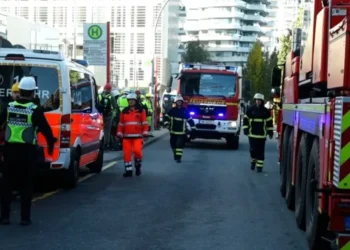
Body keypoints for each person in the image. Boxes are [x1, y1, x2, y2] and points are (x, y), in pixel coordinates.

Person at [0, 76, 56, 226]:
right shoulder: (35, 110)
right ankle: (25, 218)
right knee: (26, 185)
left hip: (10, 151)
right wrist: (51, 144)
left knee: (6, 185)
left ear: (21, 91)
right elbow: (46, 130)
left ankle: (4, 217)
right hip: (27, 152)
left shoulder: (9, 106)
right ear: (32, 93)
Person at [117, 93, 148, 177]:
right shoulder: (124, 111)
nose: (130, 101)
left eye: (132, 100)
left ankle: (138, 167)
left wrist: (145, 132)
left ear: (135, 101)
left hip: (137, 136)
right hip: (126, 137)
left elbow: (144, 123)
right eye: (129, 100)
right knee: (127, 154)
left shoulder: (141, 111)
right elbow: (121, 124)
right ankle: (128, 171)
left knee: (138, 152)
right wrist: (119, 132)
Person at [243, 93, 273, 173]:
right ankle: (253, 161)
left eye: (259, 100)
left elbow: (269, 122)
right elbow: (245, 120)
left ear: (262, 101)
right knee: (252, 150)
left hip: (262, 136)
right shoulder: (250, 109)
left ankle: (259, 167)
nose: (258, 102)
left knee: (260, 152)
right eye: (257, 100)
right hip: (252, 135)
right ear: (255, 100)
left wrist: (270, 132)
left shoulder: (265, 111)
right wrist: (245, 129)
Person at [164, 95, 190, 163]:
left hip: (182, 132)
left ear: (182, 102)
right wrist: (166, 124)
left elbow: (189, 119)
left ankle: (178, 158)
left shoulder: (184, 110)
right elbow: (166, 117)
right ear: (176, 102)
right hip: (173, 131)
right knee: (173, 144)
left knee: (179, 145)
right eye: (178, 101)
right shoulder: (172, 110)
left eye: (180, 101)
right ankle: (175, 155)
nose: (179, 102)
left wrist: (193, 127)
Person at [97, 83, 117, 150]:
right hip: (109, 115)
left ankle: (100, 143)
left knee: (100, 130)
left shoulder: (99, 96)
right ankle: (106, 144)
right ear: (110, 89)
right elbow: (115, 107)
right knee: (107, 131)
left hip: (100, 116)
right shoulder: (111, 97)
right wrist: (114, 116)